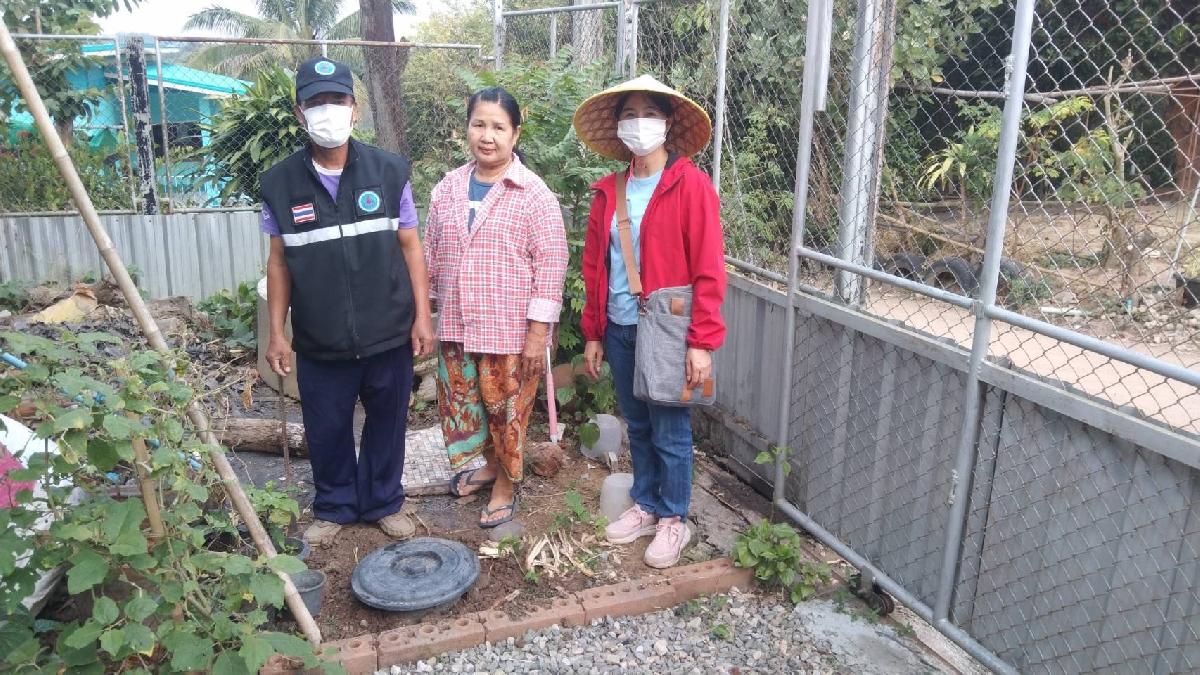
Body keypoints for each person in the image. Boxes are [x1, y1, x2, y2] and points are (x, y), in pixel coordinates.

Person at [260, 57, 435, 547]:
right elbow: (278, 262)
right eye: (316, 102)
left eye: (336, 100)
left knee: (387, 422)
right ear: (300, 113)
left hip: (388, 332)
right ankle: (334, 505)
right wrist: (277, 333)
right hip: (320, 339)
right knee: (326, 427)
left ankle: (383, 501)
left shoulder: (390, 172)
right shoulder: (279, 184)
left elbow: (411, 247)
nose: (327, 111)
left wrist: (422, 317)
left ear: (355, 109)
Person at [574, 75, 727, 568]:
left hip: (668, 328)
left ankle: (673, 518)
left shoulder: (691, 186)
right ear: (618, 126)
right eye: (629, 115)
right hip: (620, 324)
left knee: (670, 428)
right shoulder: (609, 191)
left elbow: (709, 268)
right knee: (637, 423)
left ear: (667, 123)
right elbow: (595, 267)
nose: (639, 124)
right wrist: (593, 332)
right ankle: (645, 502)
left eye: (649, 114)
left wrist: (701, 341)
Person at [424, 87, 568, 529]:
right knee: (469, 404)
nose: (487, 136)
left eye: (499, 127)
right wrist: (424, 314)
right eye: (479, 125)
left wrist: (538, 334)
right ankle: (488, 466)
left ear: (515, 134)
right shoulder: (448, 188)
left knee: (507, 412)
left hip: (509, 331)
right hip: (458, 325)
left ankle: (506, 483)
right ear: (467, 128)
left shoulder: (533, 194)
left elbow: (552, 264)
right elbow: (431, 255)